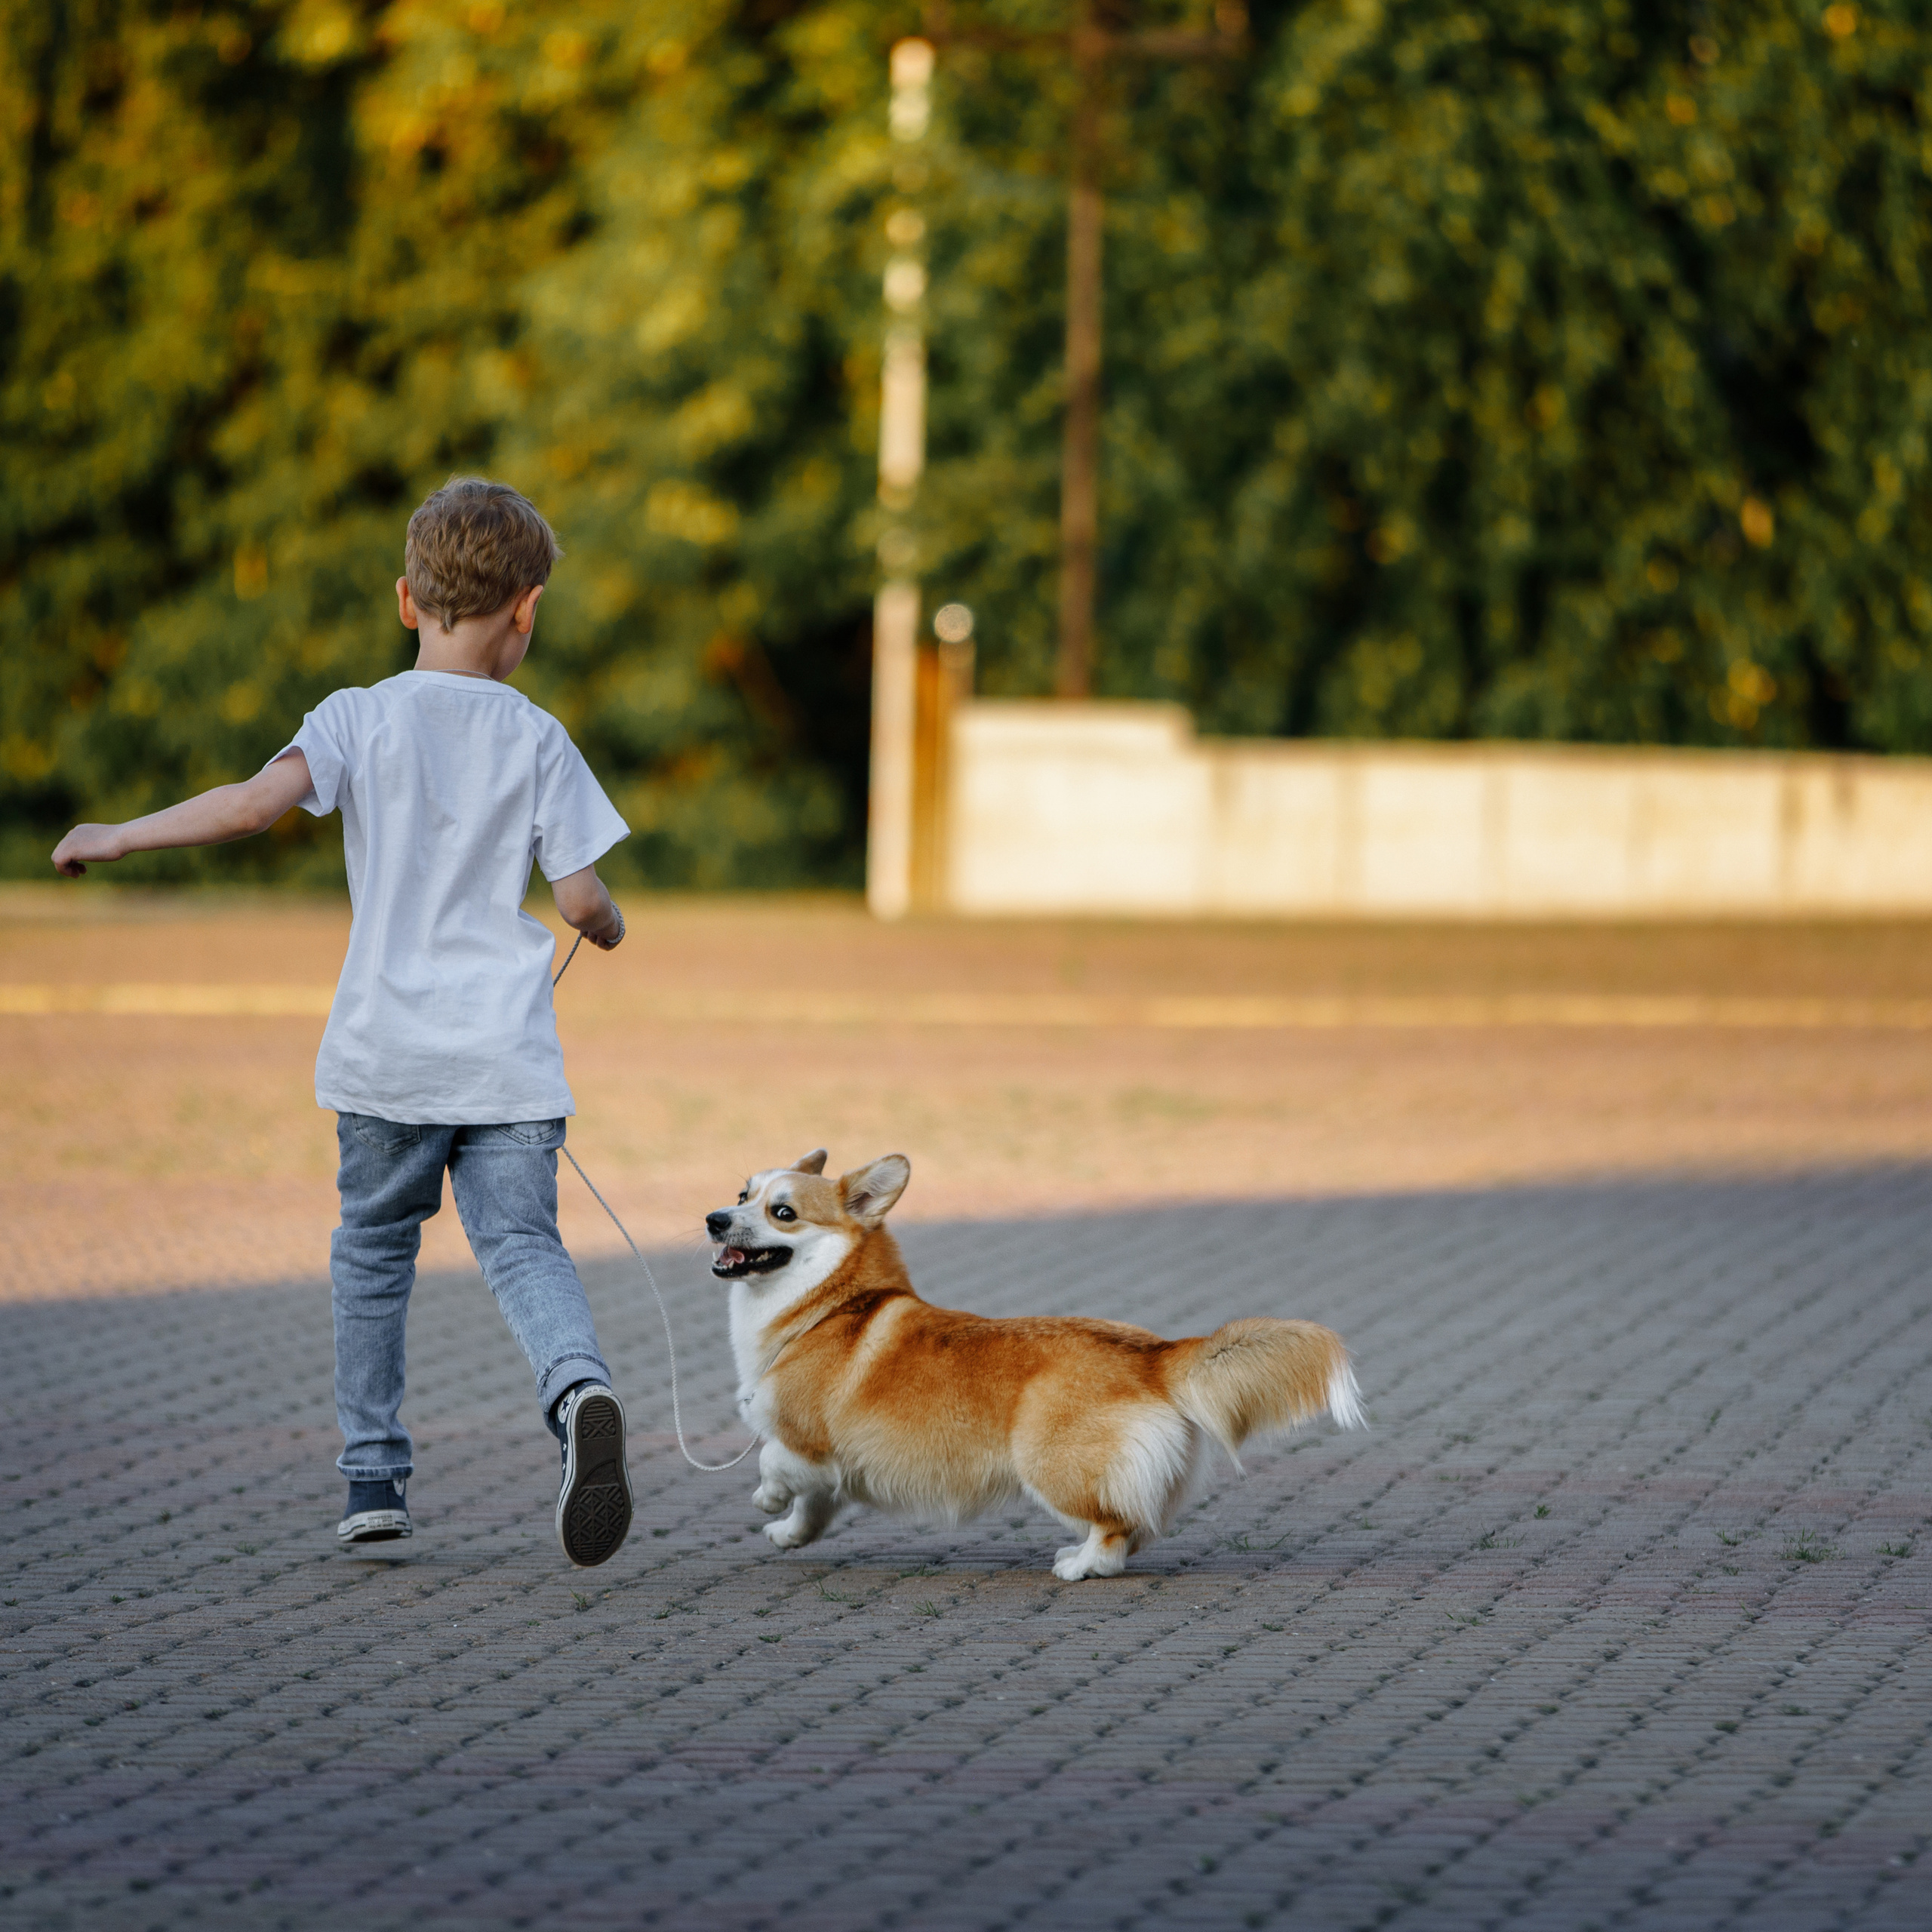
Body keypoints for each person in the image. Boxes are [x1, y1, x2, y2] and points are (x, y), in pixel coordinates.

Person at [52, 477, 635, 1569]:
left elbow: (252, 806)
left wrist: (121, 834)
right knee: (521, 1244)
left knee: (373, 1250)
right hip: (506, 1060)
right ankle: (579, 1390)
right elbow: (578, 898)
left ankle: (375, 1479)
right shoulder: (539, 735)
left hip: (387, 1059)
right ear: (528, 610)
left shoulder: (357, 716)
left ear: (407, 599)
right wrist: (605, 930)